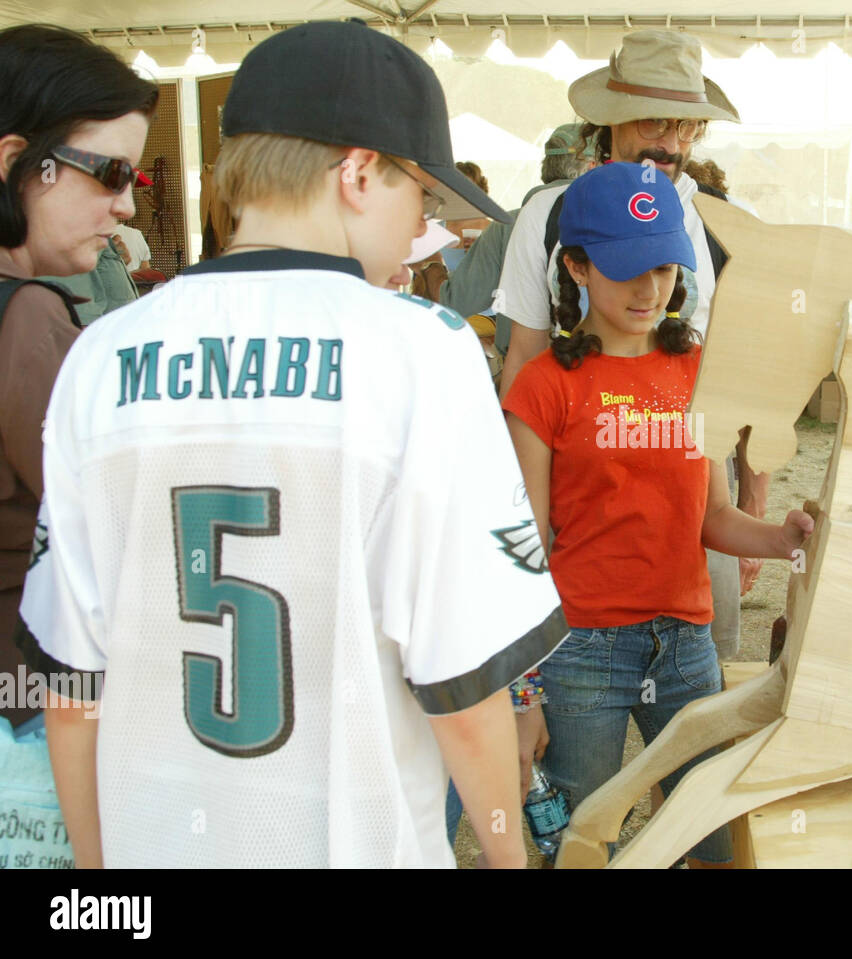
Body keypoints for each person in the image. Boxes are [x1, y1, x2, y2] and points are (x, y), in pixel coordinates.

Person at [19, 19, 566, 868]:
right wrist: (508, 857)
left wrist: (99, 888)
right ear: (356, 173)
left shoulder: (100, 356)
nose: (422, 227)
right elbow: (462, 697)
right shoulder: (425, 350)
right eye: (419, 193)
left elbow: (72, 695)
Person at [502, 162, 813, 866]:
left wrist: (783, 537)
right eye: (626, 269)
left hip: (686, 646)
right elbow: (523, 549)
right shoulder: (543, 388)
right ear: (576, 266)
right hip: (580, 653)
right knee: (583, 840)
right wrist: (522, 692)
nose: (651, 290)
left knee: (706, 837)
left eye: (666, 267)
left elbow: (715, 519)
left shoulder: (697, 371)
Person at [496, 29, 768, 685]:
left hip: (694, 487)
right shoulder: (549, 215)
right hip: (585, 497)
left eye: (684, 126)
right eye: (653, 120)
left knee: (698, 674)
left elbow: (742, 375)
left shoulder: (725, 225)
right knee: (582, 694)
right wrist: (527, 522)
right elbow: (524, 361)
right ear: (609, 119)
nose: (669, 142)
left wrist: (754, 492)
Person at [0, 25, 157, 738]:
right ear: (17, 163)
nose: (126, 205)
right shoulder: (27, 321)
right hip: (29, 716)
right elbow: (129, 531)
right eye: (112, 172)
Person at [438, 123, 596, 355]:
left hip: (521, 368)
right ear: (592, 167)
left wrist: (431, 266)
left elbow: (456, 303)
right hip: (596, 367)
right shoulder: (614, 224)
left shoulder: (506, 226)